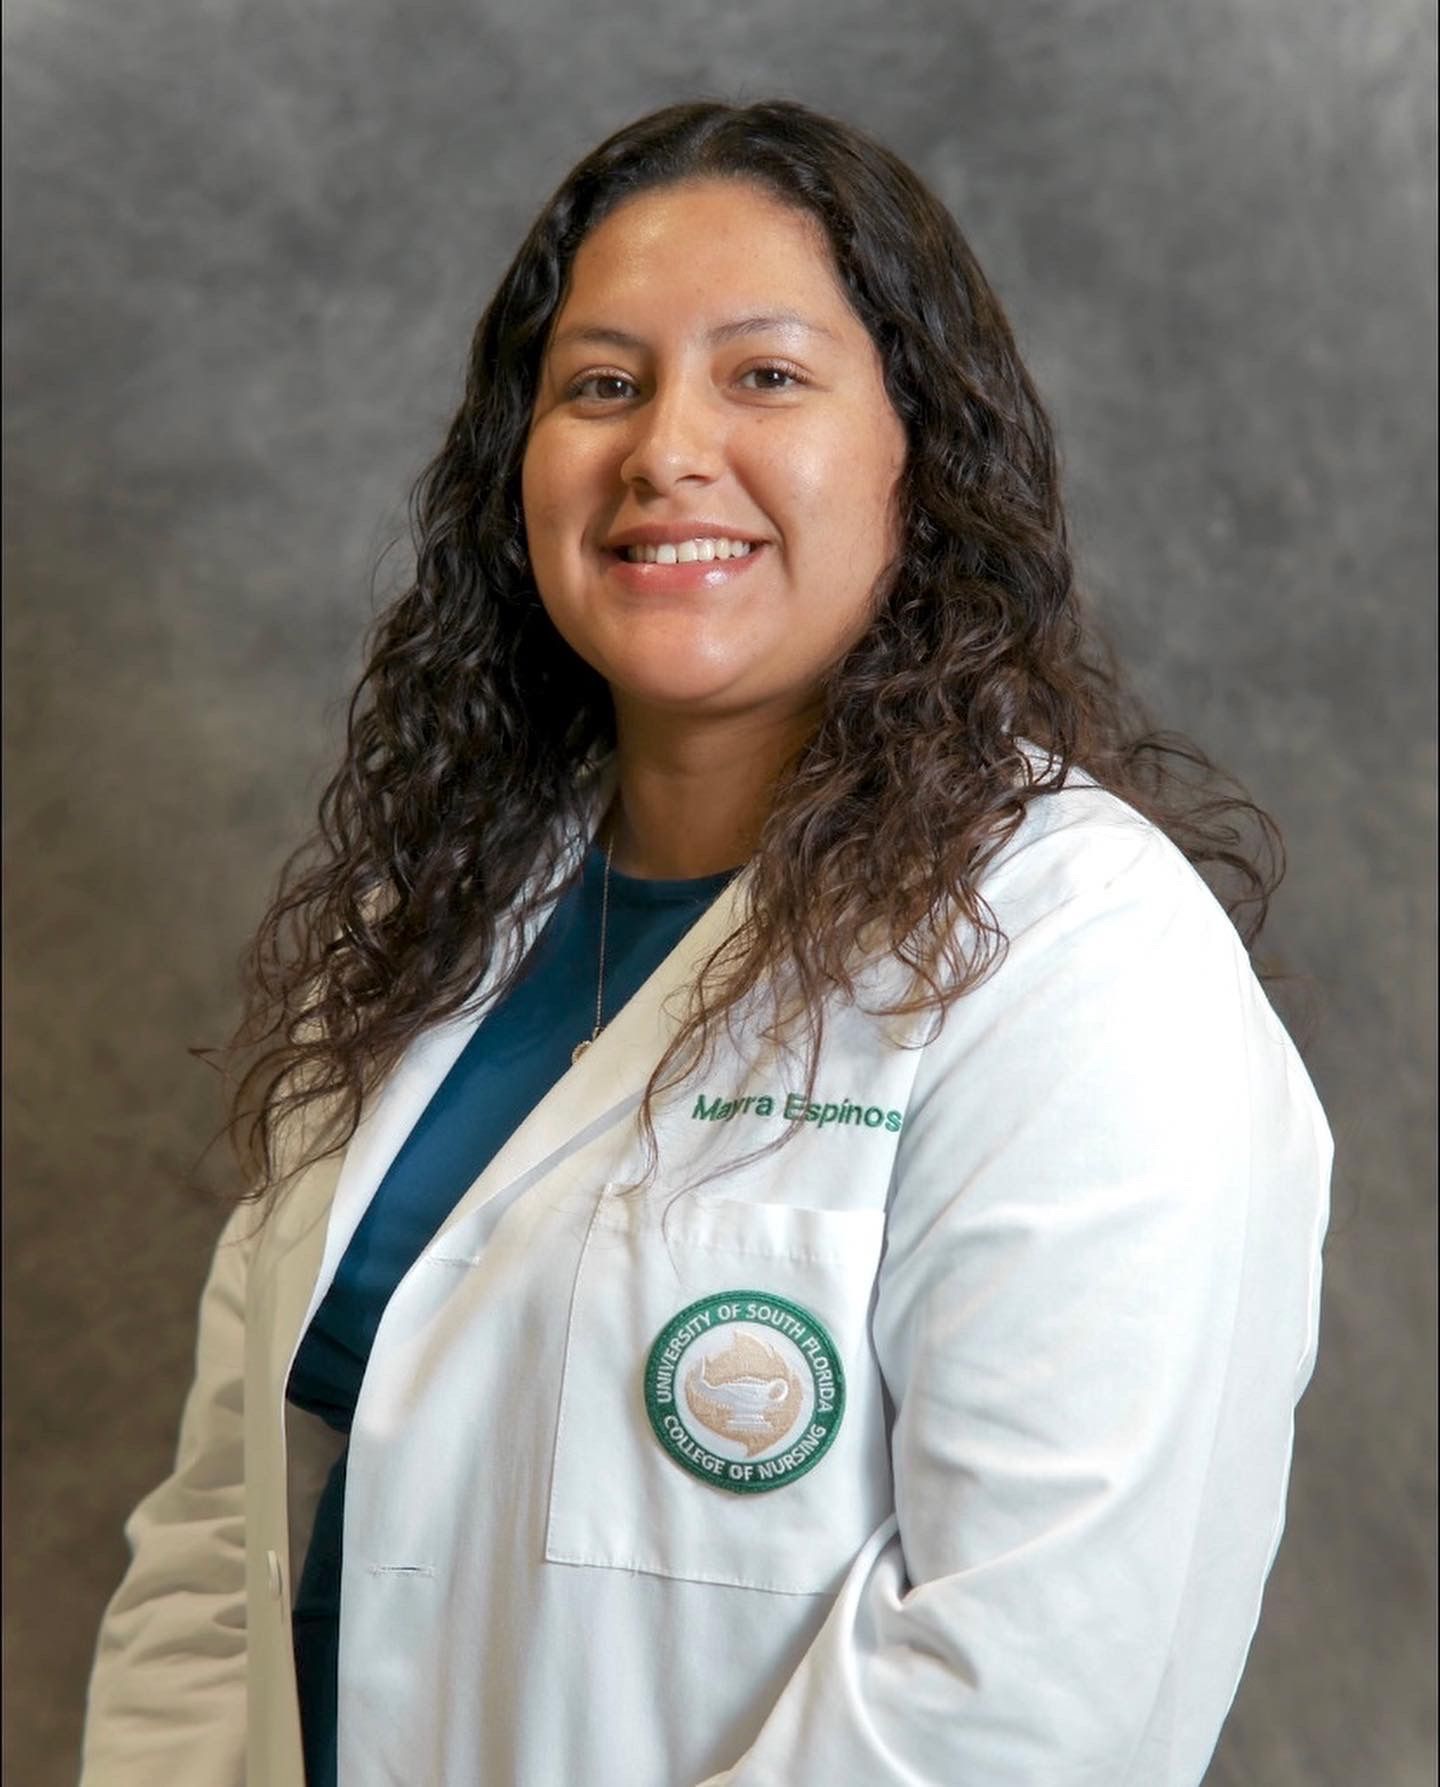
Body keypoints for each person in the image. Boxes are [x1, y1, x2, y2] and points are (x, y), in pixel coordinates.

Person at [79, 98, 1332, 1787]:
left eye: (766, 376)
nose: (666, 449)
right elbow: (219, 1554)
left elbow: (1034, 1693)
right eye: (602, 384)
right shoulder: (428, 935)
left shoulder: (1077, 962)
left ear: (922, 456)